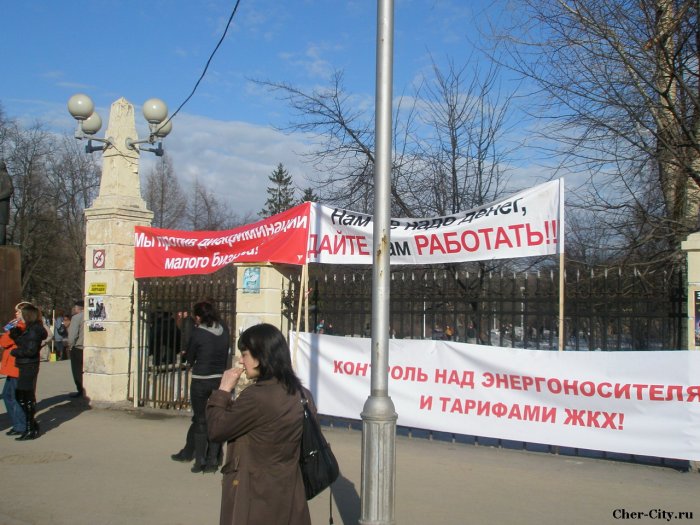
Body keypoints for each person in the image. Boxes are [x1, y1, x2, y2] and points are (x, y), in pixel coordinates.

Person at [206, 323, 313, 525]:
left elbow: (216, 429)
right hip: (289, 491)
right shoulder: (301, 394)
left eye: (245, 354)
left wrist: (222, 391)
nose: (241, 360)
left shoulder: (257, 397)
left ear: (261, 356)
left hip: (255, 494)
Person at [172, 301, 229, 473]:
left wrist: (189, 355)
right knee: (216, 418)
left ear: (198, 317)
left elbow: (190, 357)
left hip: (201, 379)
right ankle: (213, 460)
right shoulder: (224, 329)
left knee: (200, 420)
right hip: (219, 379)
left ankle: (199, 461)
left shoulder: (198, 333)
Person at [9, 303, 47, 440]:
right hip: (25, 365)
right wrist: (16, 335)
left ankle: (31, 428)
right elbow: (26, 344)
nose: (19, 316)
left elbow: (30, 350)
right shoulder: (31, 329)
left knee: (25, 397)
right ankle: (32, 425)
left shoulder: (34, 330)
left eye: (21, 313)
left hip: (28, 365)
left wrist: (15, 351)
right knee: (22, 396)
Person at [0, 301, 31, 436]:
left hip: (16, 366)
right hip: (12, 366)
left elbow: (4, 342)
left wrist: (10, 329)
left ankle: (20, 425)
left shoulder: (21, 326)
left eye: (18, 311)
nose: (15, 314)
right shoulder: (20, 325)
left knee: (13, 397)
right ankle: (18, 424)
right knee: (8, 395)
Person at [67, 300, 85, 398]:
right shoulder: (91, 316)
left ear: (78, 308)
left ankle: (81, 389)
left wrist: (70, 345)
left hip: (78, 347)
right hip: (88, 347)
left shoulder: (76, 318)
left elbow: (72, 335)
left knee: (77, 370)